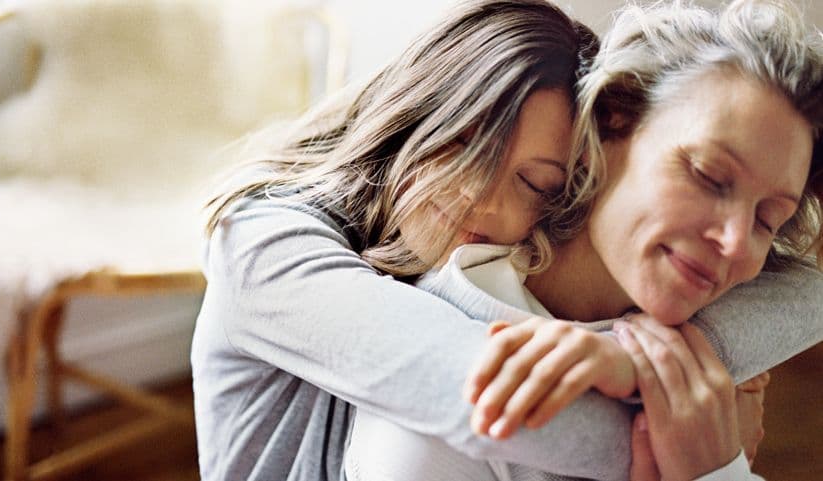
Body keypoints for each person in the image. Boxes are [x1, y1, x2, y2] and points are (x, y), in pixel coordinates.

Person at [191, 1, 823, 481]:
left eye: (533, 184)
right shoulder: (265, 243)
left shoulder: (492, 258)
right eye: (462, 144)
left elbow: (808, 292)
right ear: (415, 113)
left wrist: (638, 360)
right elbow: (494, 403)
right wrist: (710, 446)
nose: (480, 199)